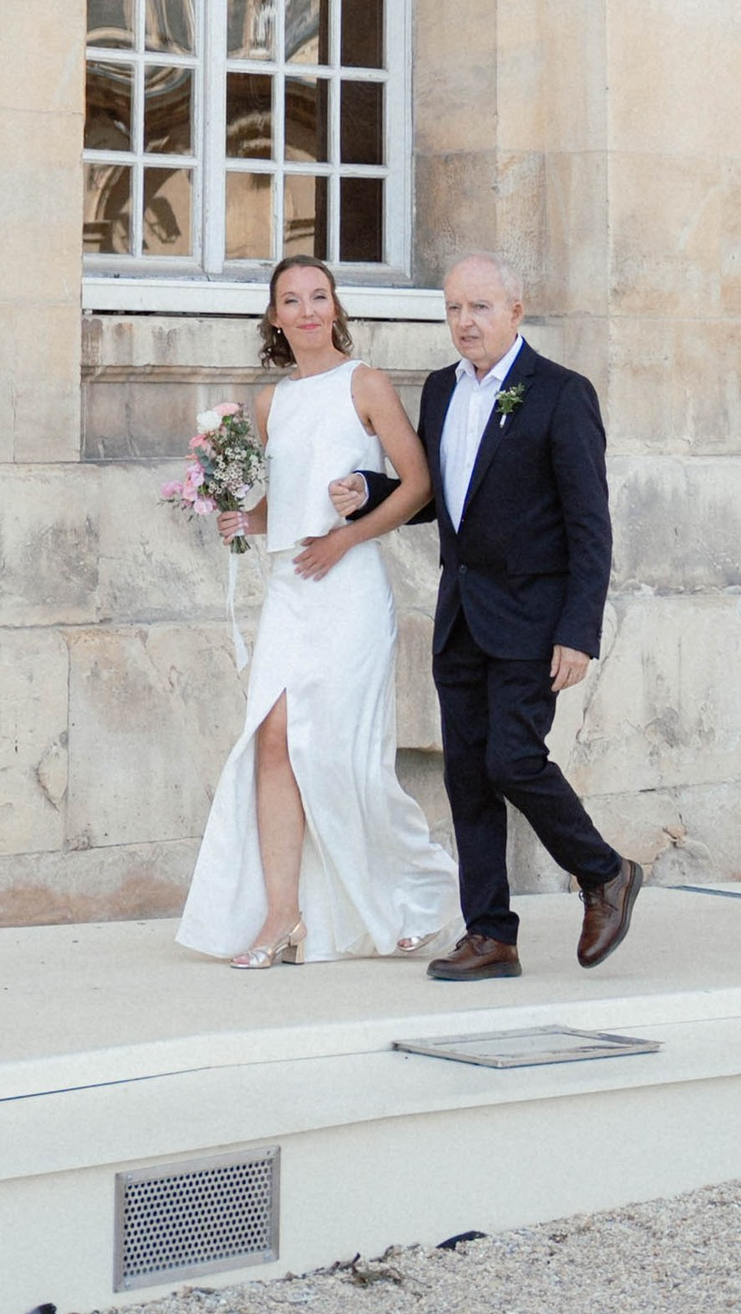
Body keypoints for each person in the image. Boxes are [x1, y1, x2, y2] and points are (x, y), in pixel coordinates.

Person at [177, 255, 459, 969]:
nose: (307, 310)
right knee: (270, 740)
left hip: (352, 587)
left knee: (340, 755)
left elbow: (418, 482)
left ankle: (412, 895)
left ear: (335, 307)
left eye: (319, 297)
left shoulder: (363, 383)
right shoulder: (272, 402)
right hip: (290, 588)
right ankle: (282, 917)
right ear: (274, 317)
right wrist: (243, 518)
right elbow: (281, 502)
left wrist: (348, 535)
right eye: (291, 301)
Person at [414, 252, 643, 981]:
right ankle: (491, 935)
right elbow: (438, 493)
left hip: (533, 619)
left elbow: (590, 525)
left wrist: (579, 630)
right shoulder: (437, 392)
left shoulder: (560, 394)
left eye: (479, 307)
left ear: (516, 311)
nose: (464, 323)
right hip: (460, 616)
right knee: (467, 777)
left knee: (512, 759)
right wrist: (366, 486)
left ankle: (604, 872)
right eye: (453, 309)